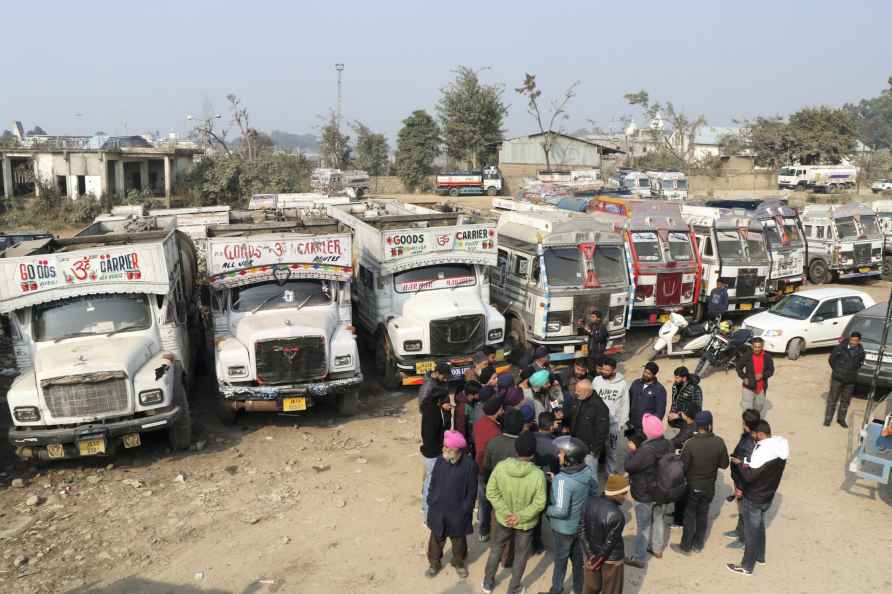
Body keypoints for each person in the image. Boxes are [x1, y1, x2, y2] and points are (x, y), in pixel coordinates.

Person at [482, 432, 547, 594]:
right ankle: (514, 588)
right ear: (532, 453)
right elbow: (540, 503)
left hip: (504, 520)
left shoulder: (501, 467)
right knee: (520, 555)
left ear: (516, 450)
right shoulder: (538, 475)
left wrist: (505, 513)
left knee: (496, 549)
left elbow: (491, 492)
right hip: (525, 524)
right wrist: (520, 516)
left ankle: (488, 583)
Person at [727, 420, 789, 576]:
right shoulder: (779, 447)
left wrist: (740, 464)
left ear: (760, 434)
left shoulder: (762, 451)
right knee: (759, 526)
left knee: (751, 531)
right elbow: (761, 469)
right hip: (767, 495)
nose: (753, 436)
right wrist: (745, 462)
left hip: (754, 497)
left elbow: (749, 476)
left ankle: (747, 566)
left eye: (754, 434)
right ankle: (760, 557)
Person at [540, 437, 597, 594]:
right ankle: (579, 589)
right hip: (580, 526)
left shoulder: (562, 480)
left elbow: (560, 510)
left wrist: (546, 509)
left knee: (560, 560)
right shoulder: (587, 471)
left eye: (561, 453)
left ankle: (557, 589)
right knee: (578, 561)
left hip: (563, 529)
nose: (559, 455)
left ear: (569, 458)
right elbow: (593, 492)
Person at [671, 410, 729, 555]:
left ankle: (685, 546)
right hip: (709, 487)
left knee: (689, 515)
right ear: (710, 425)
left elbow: (683, 466)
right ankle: (698, 544)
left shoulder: (690, 444)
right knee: (703, 514)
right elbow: (724, 464)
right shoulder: (719, 442)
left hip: (693, 486)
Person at [425, 430, 478, 579]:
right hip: (438, 509)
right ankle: (434, 563)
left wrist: (465, 509)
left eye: (449, 448)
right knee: (436, 539)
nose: (445, 450)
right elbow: (433, 481)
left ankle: (459, 563)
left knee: (459, 542)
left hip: (458, 513)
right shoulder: (441, 460)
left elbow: (472, 492)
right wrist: (431, 499)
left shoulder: (470, 465)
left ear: (459, 450)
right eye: (445, 447)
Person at [624, 413, 672, 567]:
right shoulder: (667, 444)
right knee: (658, 519)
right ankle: (657, 548)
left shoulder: (645, 450)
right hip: (662, 490)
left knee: (643, 525)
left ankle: (639, 557)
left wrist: (632, 451)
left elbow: (629, 466)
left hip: (644, 492)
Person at [578, 474, 629, 594]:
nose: (626, 497)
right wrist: (598, 560)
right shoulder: (617, 515)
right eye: (624, 493)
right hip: (611, 559)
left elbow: (581, 530)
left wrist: (590, 555)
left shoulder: (588, 503)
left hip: (590, 555)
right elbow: (609, 543)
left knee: (590, 588)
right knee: (612, 590)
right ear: (615, 493)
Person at [724, 409, 761, 548]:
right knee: (740, 508)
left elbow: (747, 468)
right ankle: (739, 531)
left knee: (746, 510)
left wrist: (740, 487)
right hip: (738, 477)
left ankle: (744, 540)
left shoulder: (751, 443)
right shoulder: (747, 436)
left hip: (743, 482)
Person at [569, 378, 610, 490]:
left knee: (591, 476)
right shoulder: (580, 399)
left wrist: (594, 450)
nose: (576, 393)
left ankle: (593, 499)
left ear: (587, 392)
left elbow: (602, 431)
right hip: (576, 445)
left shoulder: (600, 407)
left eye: (578, 391)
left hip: (589, 450)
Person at [473, 397, 504, 542]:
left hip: (479, 469)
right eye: (501, 408)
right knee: (491, 502)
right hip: (489, 471)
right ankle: (490, 529)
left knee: (483, 501)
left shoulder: (479, 424)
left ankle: (483, 530)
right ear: (497, 411)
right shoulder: (496, 432)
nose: (503, 410)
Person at [592, 358, 629, 475]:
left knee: (612, 452)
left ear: (614, 370)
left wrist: (622, 423)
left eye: (607, 370)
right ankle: (593, 476)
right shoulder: (597, 380)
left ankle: (610, 476)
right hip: (597, 425)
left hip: (613, 426)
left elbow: (625, 404)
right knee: (594, 452)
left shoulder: (622, 384)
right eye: (603, 369)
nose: (604, 372)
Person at [420, 386, 453, 517]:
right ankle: (427, 512)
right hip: (432, 453)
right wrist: (440, 449)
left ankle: (426, 508)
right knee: (430, 482)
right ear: (439, 400)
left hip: (430, 452)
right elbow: (433, 435)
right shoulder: (433, 413)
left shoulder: (430, 408)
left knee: (430, 480)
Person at [669, 402, 700, 528]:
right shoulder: (695, 424)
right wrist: (678, 417)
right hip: (694, 463)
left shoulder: (689, 430)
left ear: (688, 416)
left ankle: (679, 520)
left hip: (684, 463)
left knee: (681, 492)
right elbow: (674, 423)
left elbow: (675, 442)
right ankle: (679, 514)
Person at [826, 331, 865, 428]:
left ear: (858, 341)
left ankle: (841, 419)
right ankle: (828, 419)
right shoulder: (840, 348)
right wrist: (837, 370)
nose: (853, 342)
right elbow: (831, 360)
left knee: (845, 401)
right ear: (849, 339)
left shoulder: (861, 352)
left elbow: (859, 365)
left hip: (850, 381)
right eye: (852, 340)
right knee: (832, 399)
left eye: (855, 341)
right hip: (837, 378)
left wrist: (851, 373)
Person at [736, 337, 774, 418]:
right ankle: (747, 426)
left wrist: (762, 375)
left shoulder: (767, 357)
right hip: (748, 386)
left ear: (762, 346)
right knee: (747, 409)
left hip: (761, 388)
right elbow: (738, 367)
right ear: (752, 346)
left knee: (759, 407)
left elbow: (771, 371)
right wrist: (744, 377)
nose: (757, 349)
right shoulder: (747, 356)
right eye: (755, 347)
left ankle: (755, 423)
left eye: (759, 347)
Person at [628, 362, 667, 433]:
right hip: (632, 424)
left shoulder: (659, 389)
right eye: (645, 372)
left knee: (644, 444)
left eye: (649, 374)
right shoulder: (635, 383)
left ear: (654, 375)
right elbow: (628, 401)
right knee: (631, 444)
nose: (645, 375)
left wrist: (652, 425)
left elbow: (660, 411)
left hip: (647, 428)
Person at [534, 412, 561, 477]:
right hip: (549, 477)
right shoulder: (555, 445)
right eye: (555, 422)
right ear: (551, 427)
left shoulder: (531, 437)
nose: (557, 424)